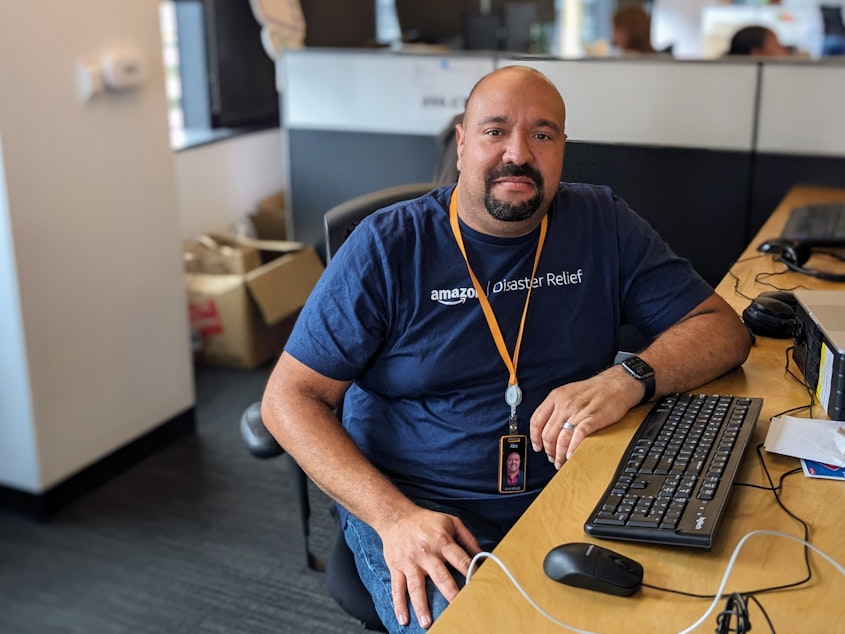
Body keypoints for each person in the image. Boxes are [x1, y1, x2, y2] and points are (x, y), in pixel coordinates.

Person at [261, 66, 751, 632]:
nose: (519, 153)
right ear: (463, 142)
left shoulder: (600, 221)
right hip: (425, 511)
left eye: (543, 134)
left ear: (564, 148)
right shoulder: (387, 247)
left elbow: (722, 329)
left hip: (576, 489)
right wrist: (393, 519)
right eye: (495, 131)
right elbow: (287, 400)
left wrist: (631, 375)